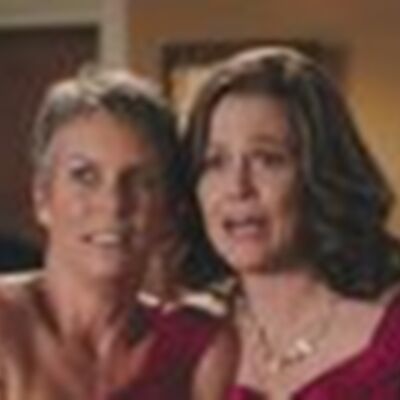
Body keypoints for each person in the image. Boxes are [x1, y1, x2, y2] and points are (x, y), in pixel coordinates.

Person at [0, 69, 237, 400]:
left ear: (170, 211)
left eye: (141, 181)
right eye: (84, 176)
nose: (113, 203)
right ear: (42, 197)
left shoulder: (199, 346)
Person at [181, 46, 400, 399]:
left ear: (320, 174)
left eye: (267, 160)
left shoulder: (391, 335)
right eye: (215, 162)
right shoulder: (182, 340)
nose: (237, 187)